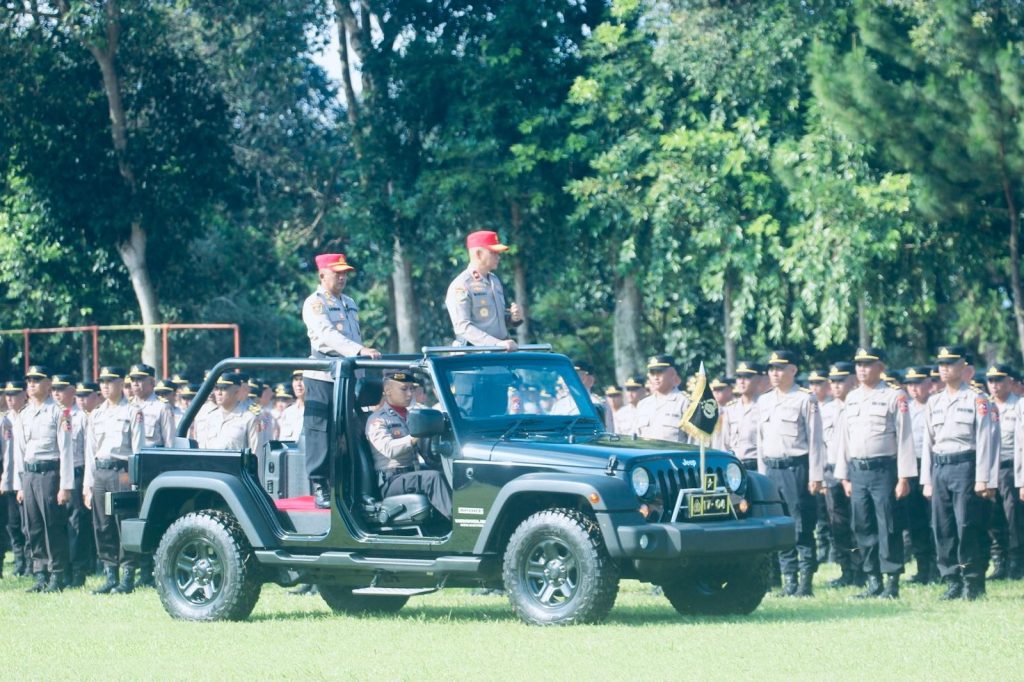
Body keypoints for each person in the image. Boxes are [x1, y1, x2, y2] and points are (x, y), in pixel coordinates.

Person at [833, 348, 916, 599]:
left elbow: (905, 438)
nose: (861, 368)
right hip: (858, 471)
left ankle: (891, 583)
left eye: (868, 364)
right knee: (862, 525)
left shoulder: (894, 395)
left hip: (884, 470)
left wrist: (904, 477)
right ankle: (872, 581)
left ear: (881, 366)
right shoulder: (852, 398)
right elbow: (844, 440)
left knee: (888, 526)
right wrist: (844, 476)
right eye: (858, 364)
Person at [302, 252, 380, 509]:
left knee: (347, 431)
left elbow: (353, 336)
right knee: (320, 431)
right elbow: (326, 336)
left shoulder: (349, 302)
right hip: (323, 374)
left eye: (345, 272)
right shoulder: (315, 303)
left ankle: (347, 485)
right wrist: (358, 351)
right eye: (337, 272)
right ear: (322, 275)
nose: (343, 276)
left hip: (346, 376)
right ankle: (320, 485)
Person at [921, 345, 997, 600]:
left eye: (950, 363)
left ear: (964, 367)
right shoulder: (934, 401)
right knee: (942, 527)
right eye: (941, 363)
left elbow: (986, 440)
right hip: (940, 468)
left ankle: (972, 581)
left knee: (967, 525)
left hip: (966, 466)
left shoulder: (977, 399)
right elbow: (927, 443)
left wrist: (983, 478)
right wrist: (927, 480)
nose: (944, 368)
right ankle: (952, 578)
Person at [756, 350, 825, 597]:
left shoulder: (806, 399)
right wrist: (762, 477)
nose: (774, 373)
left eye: (780, 368)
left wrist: (816, 475)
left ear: (793, 370)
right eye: (771, 368)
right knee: (780, 525)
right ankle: (789, 581)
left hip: (796, 468)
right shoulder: (764, 400)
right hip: (772, 469)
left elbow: (816, 441)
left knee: (801, 525)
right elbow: (760, 441)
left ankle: (805, 582)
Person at [11, 366, 74, 593]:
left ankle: (58, 574)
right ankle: (40, 573)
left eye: (37, 380)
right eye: (29, 380)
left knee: (52, 525)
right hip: (29, 474)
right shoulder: (24, 414)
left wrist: (65, 486)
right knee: (33, 526)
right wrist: (19, 485)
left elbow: (66, 451)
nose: (31, 384)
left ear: (48, 384)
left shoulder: (59, 413)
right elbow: (19, 453)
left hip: (50, 473)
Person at [84, 366, 144, 595]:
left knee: (123, 522)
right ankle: (110, 574)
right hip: (101, 472)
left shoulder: (132, 411)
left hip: (122, 472)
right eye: (103, 381)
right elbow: (91, 451)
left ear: (122, 383)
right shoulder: (97, 413)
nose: (106, 385)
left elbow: (138, 448)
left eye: (111, 381)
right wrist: (87, 486)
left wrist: (136, 480)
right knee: (102, 524)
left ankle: (128, 575)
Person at [366, 372, 452, 519]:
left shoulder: (412, 415)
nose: (410, 393)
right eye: (404, 389)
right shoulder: (378, 420)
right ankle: (455, 522)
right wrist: (414, 437)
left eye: (412, 389)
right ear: (387, 391)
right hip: (391, 480)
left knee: (447, 470)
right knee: (432, 478)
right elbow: (388, 449)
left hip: (411, 474)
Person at [820, 361, 863, 588]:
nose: (836, 386)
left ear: (852, 381)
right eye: (833, 381)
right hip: (831, 471)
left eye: (841, 381)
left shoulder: (858, 405)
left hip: (854, 470)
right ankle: (846, 569)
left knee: (859, 523)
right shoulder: (825, 410)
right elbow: (819, 445)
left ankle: (861, 569)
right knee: (838, 525)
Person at [444, 230, 523, 350]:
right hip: (474, 357)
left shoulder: (494, 281)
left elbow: (492, 322)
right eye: (493, 253)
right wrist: (495, 344)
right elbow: (462, 327)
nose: (498, 257)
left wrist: (512, 319)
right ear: (479, 254)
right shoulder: (461, 285)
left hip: (500, 353)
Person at [52, 374, 95, 588]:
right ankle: (63, 569)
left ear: (72, 391)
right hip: (56, 474)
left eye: (62, 388)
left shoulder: (82, 418)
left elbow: (89, 452)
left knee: (77, 523)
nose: (57, 393)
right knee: (59, 523)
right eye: (54, 388)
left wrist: (88, 481)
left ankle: (79, 570)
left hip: (77, 473)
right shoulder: (53, 414)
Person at [985, 364, 1022, 580]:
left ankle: (1017, 563)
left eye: (999, 380)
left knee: (1014, 518)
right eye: (991, 381)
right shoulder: (984, 406)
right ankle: (999, 562)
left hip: (1011, 469)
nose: (995, 385)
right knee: (993, 518)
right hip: (989, 470)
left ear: (1009, 382)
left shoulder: (1018, 406)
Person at [902, 366, 939, 583]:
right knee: (915, 521)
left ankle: (938, 568)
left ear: (929, 384)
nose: (914, 388)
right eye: (910, 384)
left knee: (935, 521)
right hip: (912, 466)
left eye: (918, 383)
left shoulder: (935, 405)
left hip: (934, 466)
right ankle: (923, 568)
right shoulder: (906, 408)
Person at [1, 380, 29, 577]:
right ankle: (20, 562)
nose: (9, 398)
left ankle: (31, 563)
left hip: (27, 479)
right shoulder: (5, 420)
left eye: (14, 394)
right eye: (7, 394)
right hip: (9, 480)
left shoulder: (27, 416)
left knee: (28, 525)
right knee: (12, 524)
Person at [715, 361, 763, 471]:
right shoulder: (730, 409)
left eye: (747, 377)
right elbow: (725, 444)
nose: (741, 381)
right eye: (739, 377)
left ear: (758, 379)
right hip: (734, 467)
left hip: (756, 466)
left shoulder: (764, 407)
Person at [633, 355, 691, 443]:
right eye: (652, 373)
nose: (656, 377)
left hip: (673, 456)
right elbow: (635, 438)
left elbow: (694, 442)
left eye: (660, 372)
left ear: (672, 374)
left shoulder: (684, 402)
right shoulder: (643, 405)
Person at [198, 374, 261, 452]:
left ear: (237, 392)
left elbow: (256, 454)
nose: (219, 393)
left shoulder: (249, 418)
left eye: (224, 389)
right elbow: (203, 450)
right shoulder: (210, 417)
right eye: (217, 388)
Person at [279, 370, 306, 442]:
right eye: (296, 380)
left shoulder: (314, 412)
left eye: (302, 379)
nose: (298, 384)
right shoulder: (288, 412)